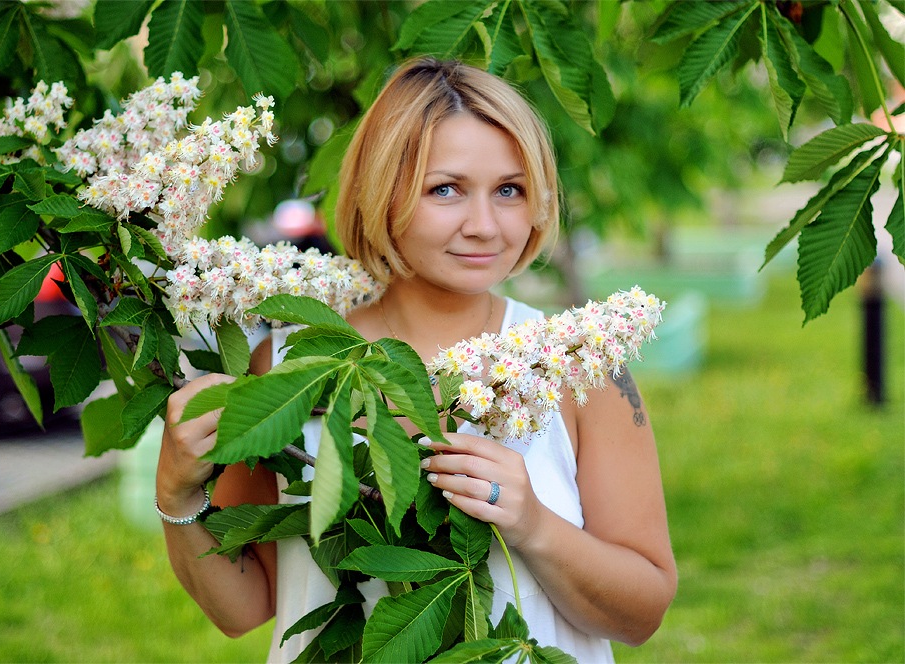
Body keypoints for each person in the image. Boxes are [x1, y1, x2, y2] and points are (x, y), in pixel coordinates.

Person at [156, 57, 677, 663]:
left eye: (509, 190)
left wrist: (533, 525)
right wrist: (176, 493)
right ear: (382, 192)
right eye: (445, 189)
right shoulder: (288, 365)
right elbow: (245, 607)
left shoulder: (581, 367)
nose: (484, 226)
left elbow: (642, 612)